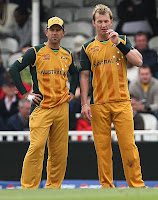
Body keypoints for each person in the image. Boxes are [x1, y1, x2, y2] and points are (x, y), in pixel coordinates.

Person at [9, 16, 79, 189]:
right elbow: (13, 68)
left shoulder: (67, 54)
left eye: (58, 30)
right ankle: (28, 187)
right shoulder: (36, 51)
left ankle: (53, 188)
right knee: (37, 146)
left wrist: (72, 92)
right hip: (41, 107)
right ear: (46, 32)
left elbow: (75, 74)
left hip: (62, 107)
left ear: (63, 33)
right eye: (52, 30)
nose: (54, 33)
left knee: (59, 152)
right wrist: (25, 93)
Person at [80, 4, 145, 188]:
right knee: (102, 151)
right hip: (98, 104)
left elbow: (139, 61)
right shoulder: (87, 48)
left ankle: (137, 186)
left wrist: (119, 43)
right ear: (93, 23)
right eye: (99, 21)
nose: (103, 25)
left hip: (122, 102)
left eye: (106, 21)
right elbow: (84, 75)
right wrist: (85, 103)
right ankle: (106, 188)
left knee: (128, 147)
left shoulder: (121, 40)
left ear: (111, 21)